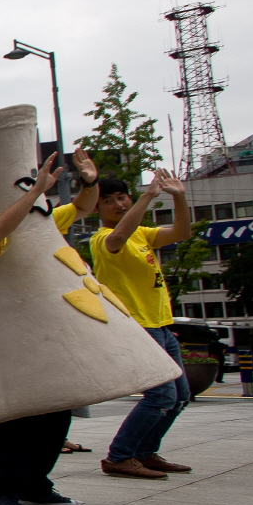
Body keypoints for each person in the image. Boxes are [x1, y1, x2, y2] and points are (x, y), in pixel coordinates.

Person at [0, 152, 84, 505]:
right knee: (22, 417)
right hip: (13, 336)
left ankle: (35, 482)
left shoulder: (39, 219)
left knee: (57, 412)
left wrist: (90, 183)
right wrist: (33, 194)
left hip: (50, 331)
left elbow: (82, 208)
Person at [91, 169, 195, 479]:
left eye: (121, 197)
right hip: (137, 326)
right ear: (97, 210)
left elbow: (182, 232)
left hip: (161, 324)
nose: (118, 205)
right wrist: (149, 195)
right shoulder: (102, 239)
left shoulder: (143, 234)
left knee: (180, 395)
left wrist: (178, 196)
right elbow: (118, 237)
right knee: (161, 396)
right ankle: (120, 456)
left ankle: (145, 452)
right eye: (107, 201)